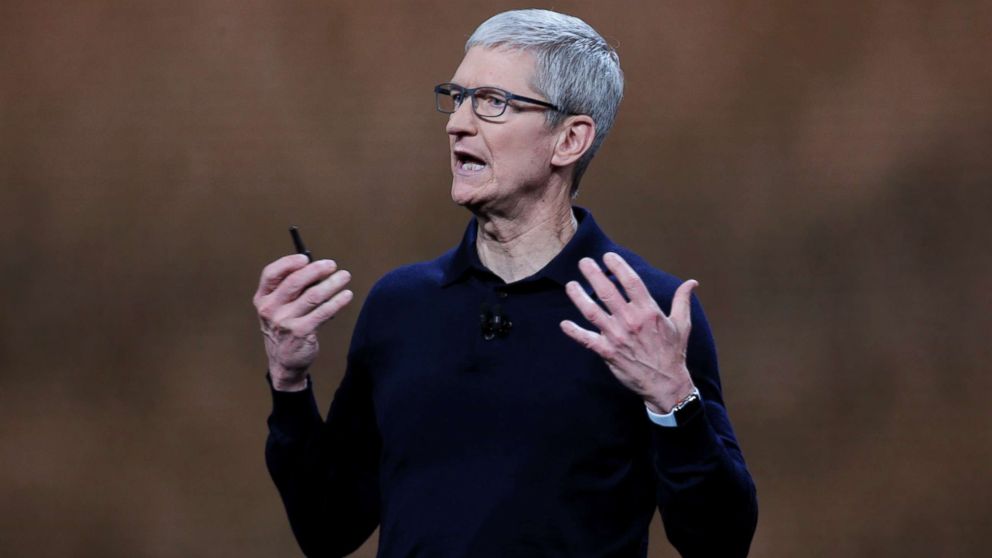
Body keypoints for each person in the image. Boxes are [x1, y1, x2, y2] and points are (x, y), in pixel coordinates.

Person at [254, 9, 757, 557]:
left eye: (492, 102)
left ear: (569, 139)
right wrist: (289, 383)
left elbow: (720, 541)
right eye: (457, 97)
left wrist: (673, 399)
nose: (457, 123)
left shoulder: (646, 314)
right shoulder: (401, 307)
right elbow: (327, 528)